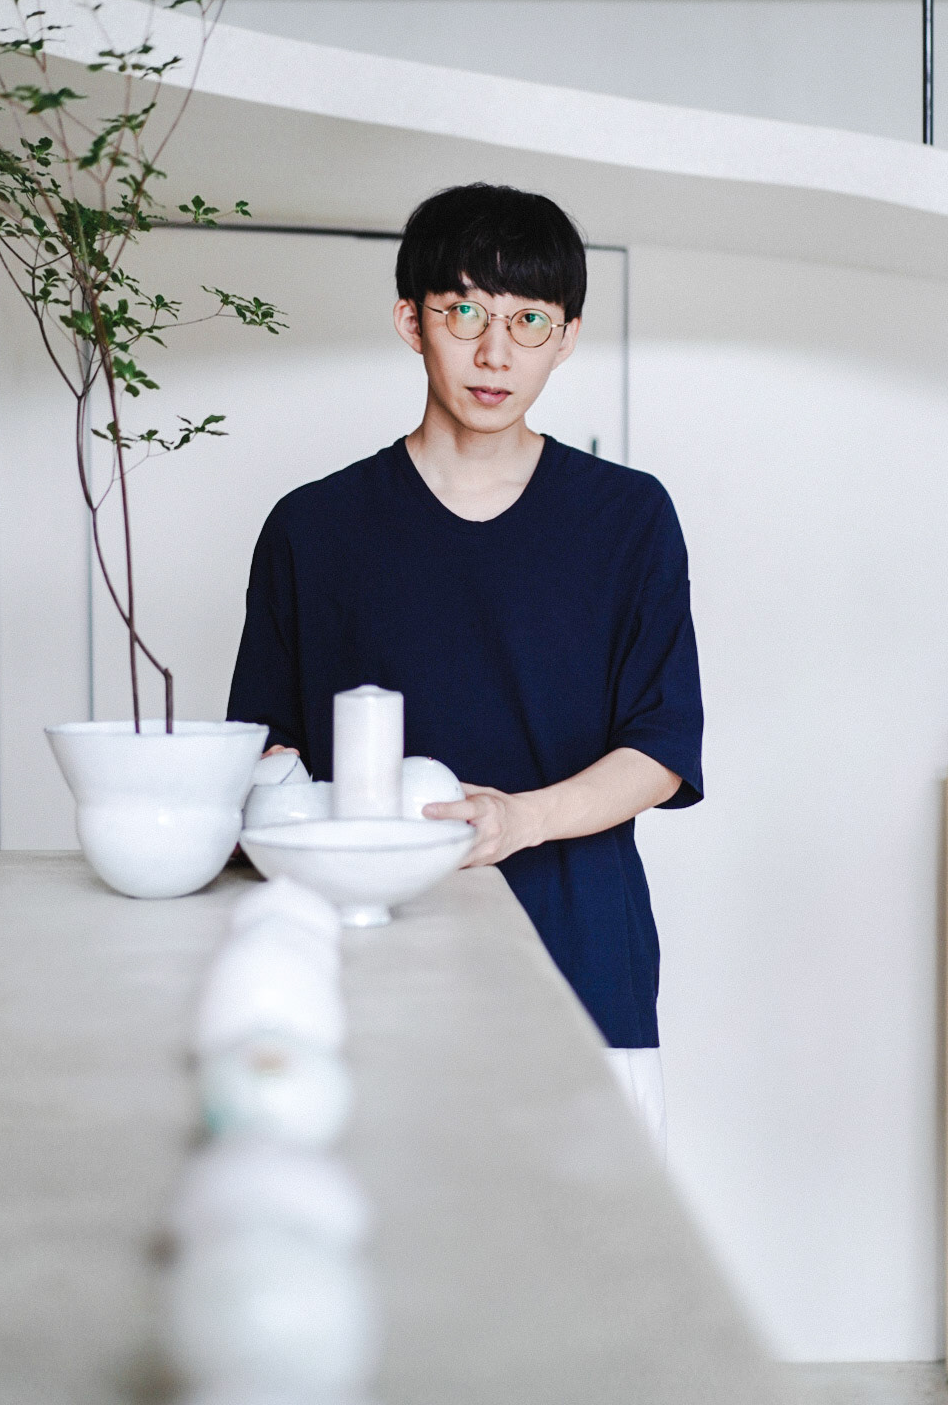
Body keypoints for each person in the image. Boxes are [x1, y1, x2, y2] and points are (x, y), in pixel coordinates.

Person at [227, 182, 703, 1153]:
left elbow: (660, 747)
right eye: (465, 313)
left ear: (566, 336)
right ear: (412, 320)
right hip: (366, 966)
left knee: (587, 1236)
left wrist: (519, 819)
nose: (496, 353)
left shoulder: (628, 519)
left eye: (529, 320)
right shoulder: (313, 528)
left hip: (582, 963)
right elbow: (264, 760)